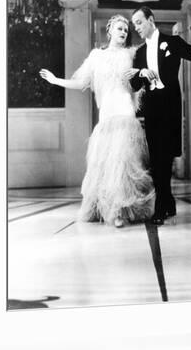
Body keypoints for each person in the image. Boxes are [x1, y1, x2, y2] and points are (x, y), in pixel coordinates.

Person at [40, 15, 155, 228]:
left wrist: (142, 72)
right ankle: (101, 208)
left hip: (125, 113)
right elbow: (82, 82)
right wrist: (56, 81)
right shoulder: (96, 56)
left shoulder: (132, 54)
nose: (123, 32)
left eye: (126, 30)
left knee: (122, 163)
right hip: (107, 116)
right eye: (119, 28)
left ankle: (119, 212)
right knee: (104, 166)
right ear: (109, 30)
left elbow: (145, 72)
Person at [130, 6, 191, 225]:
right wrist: (140, 73)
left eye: (139, 22)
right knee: (157, 159)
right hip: (153, 109)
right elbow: (135, 85)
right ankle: (167, 204)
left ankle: (163, 207)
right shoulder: (139, 53)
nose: (136, 27)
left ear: (151, 20)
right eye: (134, 24)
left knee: (165, 158)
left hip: (171, 107)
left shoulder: (172, 42)